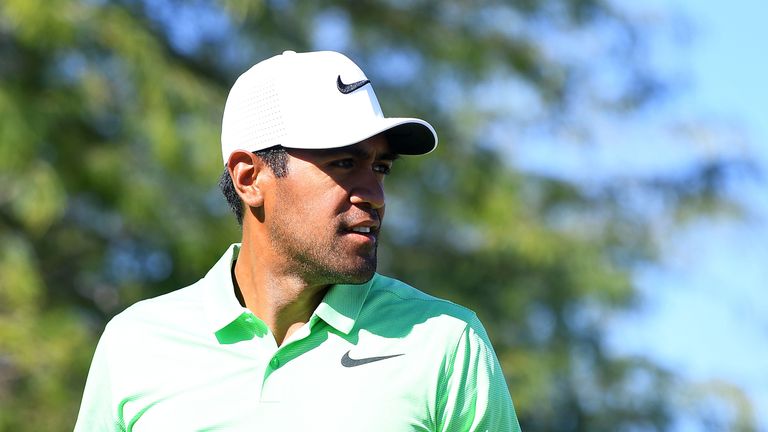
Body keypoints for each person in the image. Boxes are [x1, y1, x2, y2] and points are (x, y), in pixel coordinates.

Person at [74, 50, 521, 431]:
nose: (375, 196)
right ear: (250, 178)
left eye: (381, 167)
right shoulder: (136, 344)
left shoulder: (446, 342)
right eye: (345, 163)